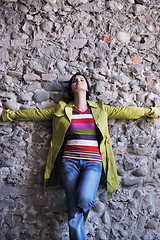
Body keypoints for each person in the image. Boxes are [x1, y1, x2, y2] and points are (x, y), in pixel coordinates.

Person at [0, 72, 160, 240]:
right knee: (73, 213)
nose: (78, 81)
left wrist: (152, 111)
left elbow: (125, 111)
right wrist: (6, 114)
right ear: (71, 88)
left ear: (87, 87)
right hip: (69, 164)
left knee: (82, 199)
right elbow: (36, 114)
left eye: (81, 79)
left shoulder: (100, 109)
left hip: (93, 163)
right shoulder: (62, 109)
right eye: (74, 81)